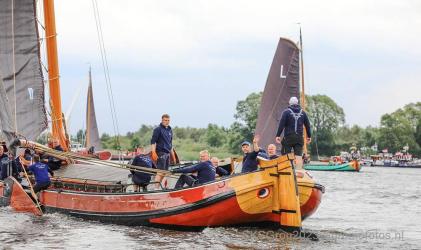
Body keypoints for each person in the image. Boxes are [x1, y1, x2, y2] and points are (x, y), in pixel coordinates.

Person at [275, 96, 311, 169]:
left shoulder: (286, 112)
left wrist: (278, 135)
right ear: (297, 103)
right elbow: (308, 125)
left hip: (288, 137)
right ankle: (299, 171)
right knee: (298, 155)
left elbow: (281, 124)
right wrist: (309, 136)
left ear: (289, 103)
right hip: (299, 138)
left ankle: (287, 170)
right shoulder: (303, 113)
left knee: (286, 154)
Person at [150, 114, 175, 189]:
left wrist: (173, 156)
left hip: (167, 153)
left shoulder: (170, 130)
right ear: (162, 120)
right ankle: (155, 188)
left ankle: (158, 186)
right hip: (160, 152)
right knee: (160, 172)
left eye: (168, 120)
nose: (167, 122)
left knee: (165, 172)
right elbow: (153, 142)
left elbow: (170, 144)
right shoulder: (158, 129)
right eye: (165, 120)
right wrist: (153, 152)